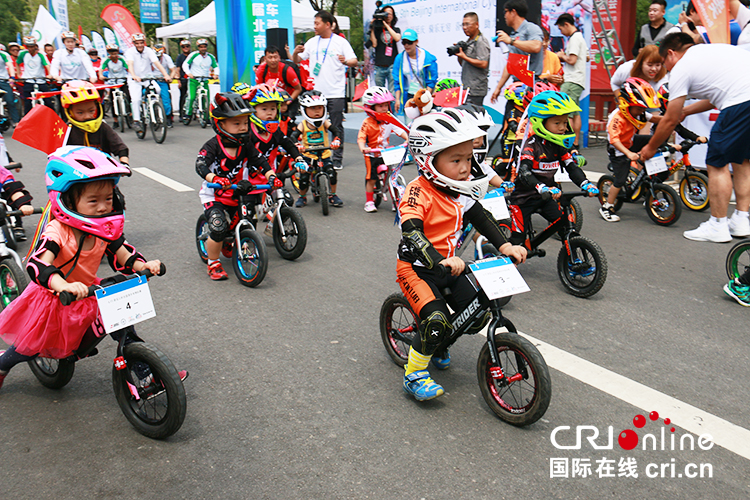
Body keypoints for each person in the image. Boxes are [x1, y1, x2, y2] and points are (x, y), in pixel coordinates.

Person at [0, 146, 167, 392]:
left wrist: (144, 265)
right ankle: (3, 364)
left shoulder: (102, 229)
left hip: (88, 291)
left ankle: (145, 373)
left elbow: (121, 252)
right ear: (68, 201)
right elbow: (38, 264)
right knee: (31, 346)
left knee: (122, 323)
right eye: (93, 201)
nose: (103, 207)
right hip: (55, 298)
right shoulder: (58, 231)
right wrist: (64, 285)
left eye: (108, 199)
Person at [396, 108, 527, 401]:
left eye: (468, 158)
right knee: (436, 319)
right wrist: (438, 260)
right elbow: (412, 232)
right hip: (417, 268)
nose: (466, 167)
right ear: (428, 161)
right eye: (456, 160)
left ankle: (439, 342)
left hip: (451, 267)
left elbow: (482, 217)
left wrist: (505, 245)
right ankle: (414, 374)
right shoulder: (418, 192)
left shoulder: (461, 190)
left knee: (477, 313)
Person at [641, 33, 750, 242]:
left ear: (671, 53)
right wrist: (687, 111)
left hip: (739, 101)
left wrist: (651, 148)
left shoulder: (682, 67)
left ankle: (717, 225)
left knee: (717, 164)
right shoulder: (711, 51)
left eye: (665, 63)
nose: (667, 69)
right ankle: (741, 220)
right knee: (742, 160)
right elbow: (715, 97)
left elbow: (670, 120)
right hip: (745, 97)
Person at [196, 93, 278, 280]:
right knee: (218, 227)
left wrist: (271, 176)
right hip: (215, 196)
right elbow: (200, 165)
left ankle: (231, 242)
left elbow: (260, 161)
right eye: (236, 123)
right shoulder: (212, 146)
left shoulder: (246, 144)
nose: (243, 127)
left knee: (247, 220)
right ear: (221, 124)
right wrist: (214, 178)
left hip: (238, 192)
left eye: (245, 123)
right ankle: (213, 263)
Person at [507, 91, 598, 242]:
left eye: (564, 122)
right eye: (557, 123)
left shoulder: (558, 146)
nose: (563, 127)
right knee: (518, 240)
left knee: (565, 228)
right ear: (540, 122)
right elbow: (524, 172)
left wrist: (585, 183)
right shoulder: (531, 146)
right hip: (523, 199)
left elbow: (571, 168)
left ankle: (572, 257)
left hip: (546, 197)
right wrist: (542, 187)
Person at [292, 10, 357, 170]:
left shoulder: (340, 42)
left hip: (335, 91)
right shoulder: (312, 42)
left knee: (335, 125)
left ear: (328, 24)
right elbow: (297, 61)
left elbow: (354, 61)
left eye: (317, 23)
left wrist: (346, 61)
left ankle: (336, 159)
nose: (314, 26)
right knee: (314, 125)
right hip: (316, 93)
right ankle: (315, 155)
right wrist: (294, 52)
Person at [242, 84, 305, 234]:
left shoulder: (275, 131)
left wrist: (299, 158)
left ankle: (272, 226)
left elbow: (288, 144)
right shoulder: (247, 133)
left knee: (286, 201)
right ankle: (247, 244)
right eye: (264, 109)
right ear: (253, 110)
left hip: (270, 179)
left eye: (273, 108)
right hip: (249, 180)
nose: (270, 113)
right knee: (249, 216)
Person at [599, 78, 661, 222]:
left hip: (630, 142)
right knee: (620, 180)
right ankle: (607, 206)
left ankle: (647, 181)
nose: (642, 112)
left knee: (654, 141)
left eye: (643, 109)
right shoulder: (616, 118)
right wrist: (628, 153)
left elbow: (656, 119)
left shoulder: (638, 112)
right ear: (627, 105)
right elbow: (614, 140)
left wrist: (671, 119)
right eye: (639, 108)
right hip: (619, 150)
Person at [357, 87, 408, 213]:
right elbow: (361, 138)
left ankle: (395, 200)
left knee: (392, 175)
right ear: (371, 107)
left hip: (386, 153)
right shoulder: (367, 123)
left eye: (386, 105)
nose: (384, 108)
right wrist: (363, 148)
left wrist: (408, 139)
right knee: (372, 177)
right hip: (372, 153)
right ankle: (369, 201)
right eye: (380, 106)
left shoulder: (389, 120)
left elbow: (401, 131)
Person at [60, 80, 130, 167]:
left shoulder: (102, 127)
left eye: (91, 111)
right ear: (69, 112)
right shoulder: (67, 130)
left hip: (103, 171)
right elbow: (58, 155)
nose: (87, 116)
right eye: (80, 113)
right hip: (77, 173)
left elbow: (120, 147)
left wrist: (124, 163)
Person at [294, 90, 343, 207]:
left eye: (319, 108)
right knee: (304, 177)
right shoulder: (303, 124)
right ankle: (302, 196)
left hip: (324, 154)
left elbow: (336, 131)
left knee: (331, 173)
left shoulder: (324, 123)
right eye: (313, 108)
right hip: (308, 155)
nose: (317, 111)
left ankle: (333, 194)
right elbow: (293, 136)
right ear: (304, 109)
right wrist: (298, 145)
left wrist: (336, 140)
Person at [491, 0, 544, 103]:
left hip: (531, 85)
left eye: (505, 12)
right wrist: (498, 88)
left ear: (513, 12)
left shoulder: (531, 28)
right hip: (516, 86)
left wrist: (511, 41)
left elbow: (536, 46)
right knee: (511, 118)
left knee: (526, 119)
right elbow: (511, 64)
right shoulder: (513, 34)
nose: (504, 16)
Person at [124, 33, 170, 133]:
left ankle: (154, 108)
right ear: (134, 43)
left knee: (157, 90)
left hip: (148, 78)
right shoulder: (130, 52)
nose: (140, 45)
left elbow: (157, 63)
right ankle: (136, 120)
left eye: (141, 43)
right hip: (135, 80)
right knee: (136, 100)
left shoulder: (148, 50)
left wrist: (166, 75)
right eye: (137, 43)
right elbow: (130, 65)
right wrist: (134, 75)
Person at [555, 13, 588, 151]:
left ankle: (568, 142)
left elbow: (572, 60)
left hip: (572, 80)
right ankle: (575, 143)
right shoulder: (580, 37)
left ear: (566, 25)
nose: (561, 32)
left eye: (561, 29)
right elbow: (587, 57)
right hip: (578, 80)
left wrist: (562, 55)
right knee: (575, 112)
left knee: (566, 112)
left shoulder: (574, 38)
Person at [391, 29, 438, 115]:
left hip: (423, 95)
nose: (406, 45)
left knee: (424, 123)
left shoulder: (427, 58)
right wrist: (397, 99)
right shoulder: (400, 58)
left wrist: (426, 98)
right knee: (409, 125)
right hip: (409, 96)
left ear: (416, 42)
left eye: (409, 42)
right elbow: (397, 81)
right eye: (404, 42)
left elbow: (431, 81)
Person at [255, 46, 303, 118]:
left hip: (288, 100)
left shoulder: (287, 70)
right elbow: (259, 89)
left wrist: (287, 102)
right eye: (270, 57)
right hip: (271, 101)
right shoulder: (261, 70)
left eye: (275, 57)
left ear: (279, 58)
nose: (273, 60)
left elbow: (298, 89)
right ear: (265, 59)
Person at [454, 12, 490, 106]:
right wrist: (459, 54)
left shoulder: (481, 41)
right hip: (467, 88)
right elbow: (464, 63)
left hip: (476, 90)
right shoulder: (468, 42)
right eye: (463, 24)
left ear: (477, 25)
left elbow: (483, 63)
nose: (464, 27)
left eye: (467, 24)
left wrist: (464, 57)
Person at [181, 39, 218, 121]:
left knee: (206, 99)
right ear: (198, 47)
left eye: (204, 47)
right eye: (201, 47)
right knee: (191, 97)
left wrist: (216, 74)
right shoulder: (193, 55)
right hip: (194, 80)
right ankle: (188, 113)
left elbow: (216, 66)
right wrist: (189, 73)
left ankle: (206, 117)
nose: (203, 48)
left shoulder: (210, 57)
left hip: (204, 80)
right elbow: (185, 64)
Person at [367, 4, 401, 93]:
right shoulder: (377, 30)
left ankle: (393, 107)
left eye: (390, 14)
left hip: (392, 64)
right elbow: (374, 44)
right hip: (379, 65)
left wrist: (386, 25)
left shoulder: (396, 29)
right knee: (380, 92)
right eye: (386, 13)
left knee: (393, 92)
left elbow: (397, 38)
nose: (388, 16)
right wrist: (372, 27)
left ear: (393, 16)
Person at [16, 37, 53, 114]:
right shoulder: (23, 53)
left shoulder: (40, 55)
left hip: (40, 80)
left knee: (48, 102)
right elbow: (18, 63)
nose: (30, 48)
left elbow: (47, 65)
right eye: (28, 46)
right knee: (27, 103)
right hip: (28, 80)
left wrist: (49, 74)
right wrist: (19, 74)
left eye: (32, 46)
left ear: (35, 46)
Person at [0, 162, 34, 241]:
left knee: (6, 201)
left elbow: (13, 189)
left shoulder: (1, 172)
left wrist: (23, 204)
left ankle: (16, 225)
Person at [152, 43, 177, 127]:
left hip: (163, 80)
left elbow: (173, 69)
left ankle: (168, 117)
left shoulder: (167, 58)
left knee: (166, 100)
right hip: (152, 81)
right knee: (147, 96)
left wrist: (170, 77)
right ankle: (150, 116)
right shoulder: (150, 58)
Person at [0, 43, 19, 126]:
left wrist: (12, 77)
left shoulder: (4, 54)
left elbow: (10, 65)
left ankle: (16, 122)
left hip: (3, 80)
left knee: (10, 101)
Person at [175, 39, 192, 121]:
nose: (185, 48)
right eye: (183, 47)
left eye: (187, 46)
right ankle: (181, 114)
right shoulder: (180, 57)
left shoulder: (193, 55)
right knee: (183, 96)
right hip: (183, 79)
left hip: (193, 78)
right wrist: (178, 80)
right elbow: (177, 69)